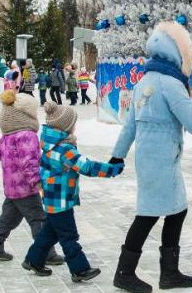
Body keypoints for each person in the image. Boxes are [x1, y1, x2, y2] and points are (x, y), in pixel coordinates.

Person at [110, 21, 192, 293]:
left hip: (151, 157)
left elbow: (130, 126)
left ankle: (168, 272)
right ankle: (125, 272)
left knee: (174, 210)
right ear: (179, 53)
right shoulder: (170, 84)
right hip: (162, 158)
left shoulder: (145, 81)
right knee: (148, 215)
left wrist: (118, 155)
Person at [21, 102, 123, 280]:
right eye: (73, 123)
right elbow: (87, 167)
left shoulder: (48, 143)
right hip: (60, 199)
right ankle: (79, 269)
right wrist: (112, 169)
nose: (75, 126)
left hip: (53, 198)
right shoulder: (64, 150)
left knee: (50, 232)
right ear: (65, 126)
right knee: (69, 236)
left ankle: (33, 260)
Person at [0, 90, 63, 265]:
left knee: (8, 218)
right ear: (26, 116)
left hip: (11, 188)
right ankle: (46, 252)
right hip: (27, 188)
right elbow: (29, 163)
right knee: (38, 219)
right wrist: (38, 183)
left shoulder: (8, 137)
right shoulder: (28, 136)